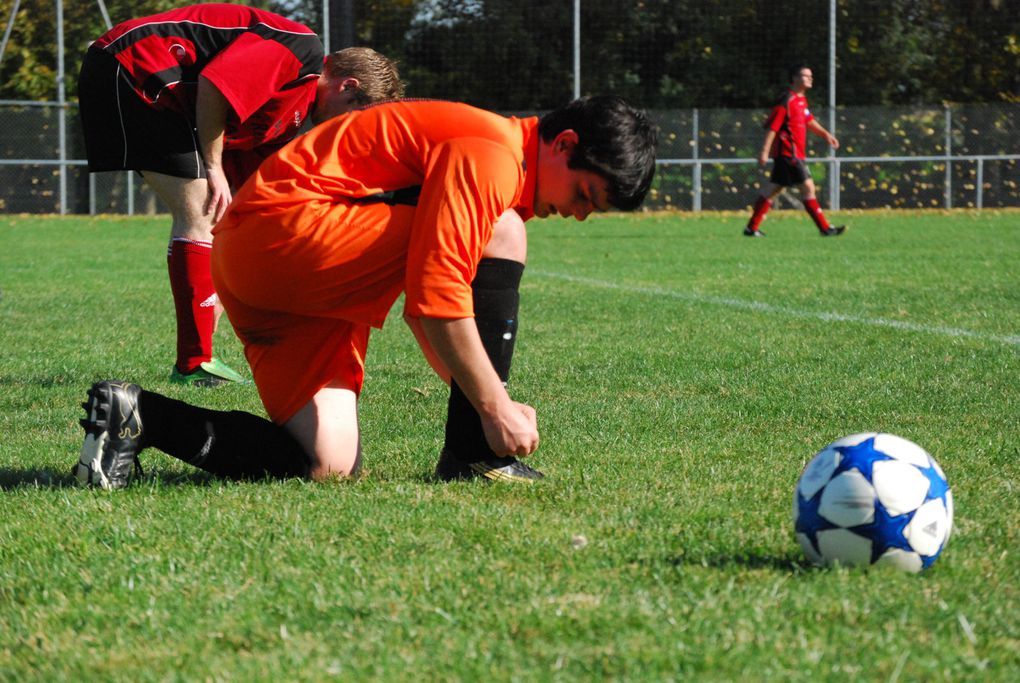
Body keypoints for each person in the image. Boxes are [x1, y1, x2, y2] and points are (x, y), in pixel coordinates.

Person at [74, 96, 657, 489]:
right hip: (288, 239)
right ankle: (477, 456)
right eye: (586, 195)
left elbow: (431, 313)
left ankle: (139, 416)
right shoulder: (494, 153)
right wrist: (493, 409)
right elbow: (435, 296)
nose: (578, 215)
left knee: (326, 462)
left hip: (269, 271)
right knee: (504, 230)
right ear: (564, 143)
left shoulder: (493, 153)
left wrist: (481, 396)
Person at [77, 3, 403, 386]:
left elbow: (256, 199)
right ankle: (193, 363)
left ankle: (203, 350)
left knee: (221, 218)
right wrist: (213, 168)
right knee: (202, 213)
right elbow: (216, 86)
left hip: (148, 84)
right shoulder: (301, 49)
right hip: (132, 67)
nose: (342, 129)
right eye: (351, 117)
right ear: (348, 86)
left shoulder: (290, 109)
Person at [744, 64, 846, 238]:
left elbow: (808, 120)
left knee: (773, 189)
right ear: (795, 78)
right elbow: (773, 128)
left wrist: (826, 135)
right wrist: (764, 151)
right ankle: (825, 228)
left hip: (793, 154)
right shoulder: (786, 101)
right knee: (807, 187)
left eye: (811, 76)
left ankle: (751, 228)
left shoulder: (800, 100)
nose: (810, 78)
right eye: (806, 76)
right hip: (788, 153)